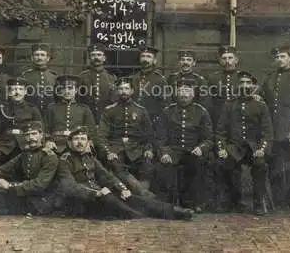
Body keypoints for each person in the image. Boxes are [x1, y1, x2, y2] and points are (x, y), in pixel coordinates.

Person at [57, 126, 193, 220]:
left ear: (87, 142)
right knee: (122, 206)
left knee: (132, 198)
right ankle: (141, 217)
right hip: (83, 203)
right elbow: (69, 187)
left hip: (102, 195)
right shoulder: (65, 160)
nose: (80, 142)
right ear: (69, 142)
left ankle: (175, 212)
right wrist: (95, 193)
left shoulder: (90, 157)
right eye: (76, 139)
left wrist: (122, 188)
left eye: (83, 139)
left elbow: (106, 176)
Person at [215, 71, 273, 216]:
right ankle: (234, 201)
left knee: (260, 165)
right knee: (226, 163)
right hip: (235, 147)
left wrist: (262, 149)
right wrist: (222, 148)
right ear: (237, 85)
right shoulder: (229, 105)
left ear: (253, 85)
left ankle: (259, 202)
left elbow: (267, 132)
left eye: (248, 83)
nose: (245, 86)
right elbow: (220, 131)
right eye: (242, 83)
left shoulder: (261, 105)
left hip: (254, 147)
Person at [259, 46, 290, 212]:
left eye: (283, 56)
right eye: (277, 57)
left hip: (288, 131)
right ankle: (277, 201)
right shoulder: (270, 78)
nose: (280, 59)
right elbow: (262, 100)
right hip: (272, 132)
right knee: (274, 168)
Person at [153, 78, 214, 212]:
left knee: (198, 165)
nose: (184, 94)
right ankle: (170, 204)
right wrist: (164, 153)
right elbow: (160, 138)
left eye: (187, 91)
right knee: (165, 166)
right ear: (176, 93)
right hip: (173, 151)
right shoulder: (167, 111)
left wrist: (201, 148)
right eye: (181, 91)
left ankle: (193, 202)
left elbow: (209, 138)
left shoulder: (201, 112)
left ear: (193, 94)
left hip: (193, 151)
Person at [97, 77, 155, 194]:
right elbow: (101, 136)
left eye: (127, 88)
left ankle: (142, 194)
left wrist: (148, 149)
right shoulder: (109, 110)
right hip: (116, 148)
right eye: (121, 89)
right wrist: (108, 152)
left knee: (147, 165)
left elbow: (148, 135)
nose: (124, 91)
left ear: (132, 91)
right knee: (116, 165)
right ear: (117, 91)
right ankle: (144, 196)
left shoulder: (141, 111)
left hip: (136, 149)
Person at [0, 77, 43, 168]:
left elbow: (40, 128)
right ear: (9, 92)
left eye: (20, 89)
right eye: (14, 89)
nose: (17, 92)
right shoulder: (2, 108)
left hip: (25, 144)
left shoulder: (32, 109)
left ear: (25, 92)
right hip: (5, 144)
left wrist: (39, 144)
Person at [44, 75, 97, 154]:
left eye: (70, 88)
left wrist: (88, 143)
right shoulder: (52, 108)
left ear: (76, 90)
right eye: (63, 88)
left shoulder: (84, 109)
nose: (67, 91)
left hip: (78, 146)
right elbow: (45, 128)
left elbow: (91, 131)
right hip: (56, 145)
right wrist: (48, 141)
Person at [78, 43, 117, 124]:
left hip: (106, 119)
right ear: (89, 58)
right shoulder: (82, 77)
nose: (96, 57)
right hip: (86, 118)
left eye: (99, 55)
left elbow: (114, 100)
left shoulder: (111, 77)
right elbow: (78, 99)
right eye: (93, 55)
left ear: (104, 58)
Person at [131, 46, 169, 125]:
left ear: (154, 61)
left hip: (152, 122)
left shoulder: (160, 80)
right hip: (134, 121)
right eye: (143, 56)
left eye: (149, 57)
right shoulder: (133, 78)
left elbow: (165, 104)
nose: (145, 59)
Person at [207, 46, 241, 131]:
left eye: (230, 58)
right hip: (218, 118)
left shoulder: (243, 78)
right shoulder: (213, 78)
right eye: (224, 58)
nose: (227, 61)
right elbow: (209, 100)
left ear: (236, 60)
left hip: (239, 117)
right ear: (220, 61)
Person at [20, 43, 57, 115]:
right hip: (30, 114)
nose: (39, 58)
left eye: (42, 55)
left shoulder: (54, 77)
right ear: (32, 58)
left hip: (49, 114)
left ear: (48, 58)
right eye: (36, 55)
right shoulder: (24, 76)